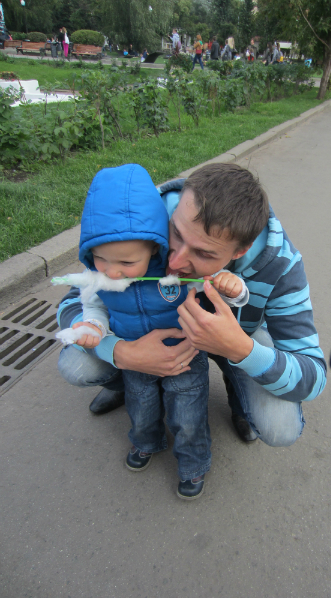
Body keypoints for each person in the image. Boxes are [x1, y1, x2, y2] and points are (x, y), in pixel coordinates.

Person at [57, 163, 327, 487]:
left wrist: (241, 350)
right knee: (75, 365)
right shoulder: (144, 214)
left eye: (203, 253)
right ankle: (123, 383)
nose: (174, 262)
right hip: (146, 332)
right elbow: (74, 301)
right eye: (176, 233)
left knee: (280, 427)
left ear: (240, 251)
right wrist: (121, 353)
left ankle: (238, 395)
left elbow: (313, 377)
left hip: (239, 336)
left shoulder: (283, 267)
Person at [59, 164, 250, 500]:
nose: (113, 272)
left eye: (126, 263)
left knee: (188, 416)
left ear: (153, 248)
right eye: (101, 258)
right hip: (137, 359)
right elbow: (93, 307)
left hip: (185, 358)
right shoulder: (99, 277)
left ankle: (194, 463)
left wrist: (234, 287)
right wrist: (92, 327)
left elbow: (218, 294)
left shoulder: (178, 270)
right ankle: (146, 442)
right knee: (141, 408)